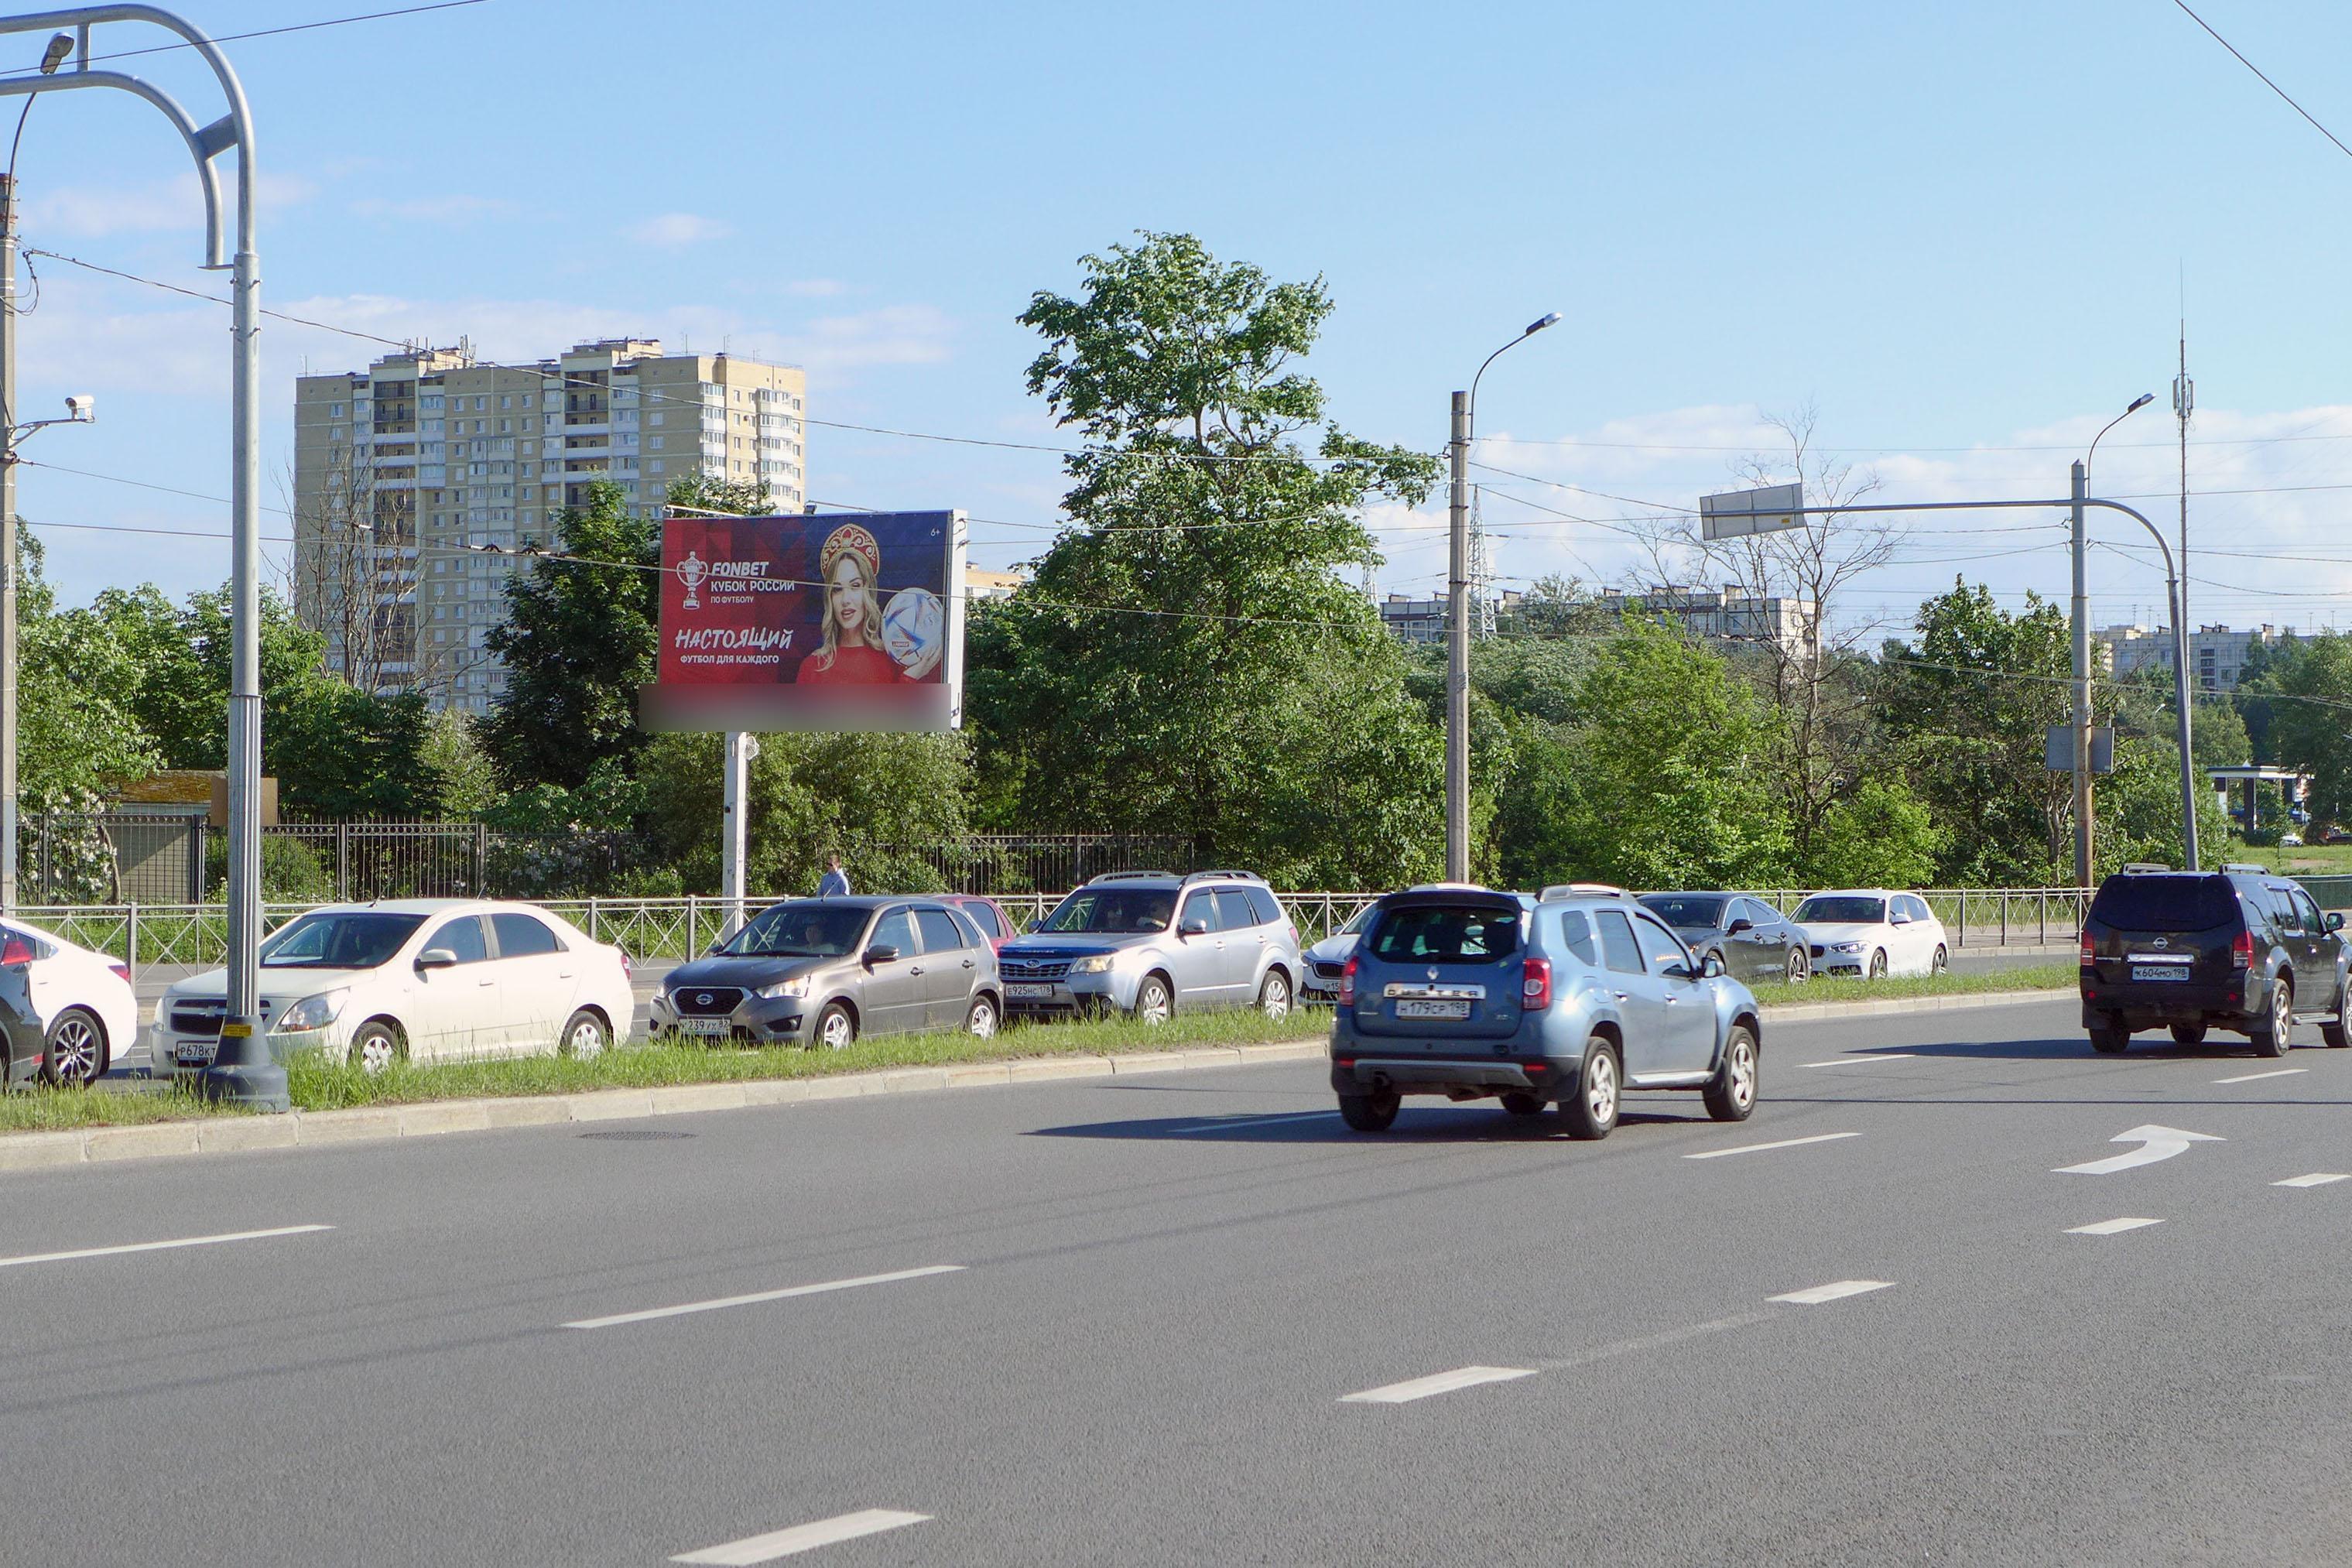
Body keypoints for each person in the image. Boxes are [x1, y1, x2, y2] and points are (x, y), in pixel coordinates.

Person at [798, 523, 917, 684]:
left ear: (868, 591)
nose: (846, 599)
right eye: (837, 589)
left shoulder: (893, 661)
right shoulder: (813, 666)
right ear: (830, 598)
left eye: (855, 586)